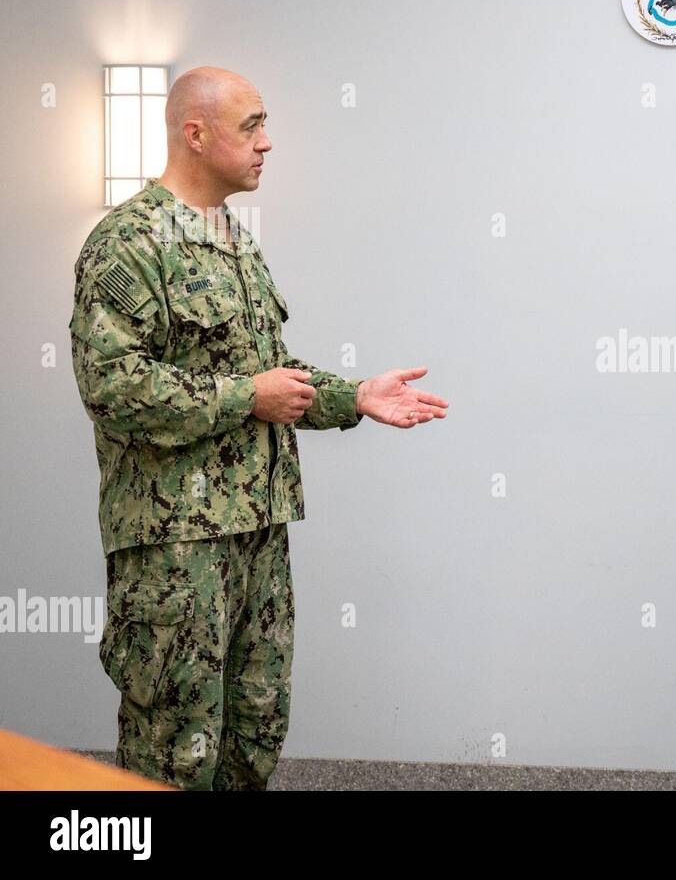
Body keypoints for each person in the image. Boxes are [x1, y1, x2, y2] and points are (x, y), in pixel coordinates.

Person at [69, 66, 450, 790]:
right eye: (252, 127)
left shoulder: (233, 242)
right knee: (175, 744)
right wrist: (246, 395)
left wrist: (354, 396)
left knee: (254, 730)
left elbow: (270, 373)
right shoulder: (129, 242)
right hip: (177, 544)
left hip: (257, 532)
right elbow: (113, 386)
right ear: (196, 133)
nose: (267, 143)